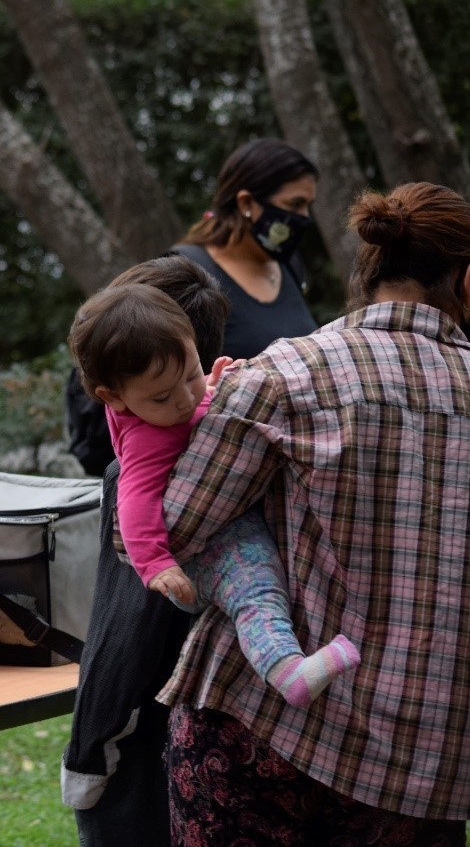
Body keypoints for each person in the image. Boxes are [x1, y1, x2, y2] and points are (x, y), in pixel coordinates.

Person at [159, 182, 470, 844]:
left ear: (370, 266)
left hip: (262, 731)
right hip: (419, 772)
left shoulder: (284, 374)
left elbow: (168, 529)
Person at [61, 255, 306, 845]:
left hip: (148, 748)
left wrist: (88, 748)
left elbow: (122, 642)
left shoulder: (148, 473)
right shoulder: (237, 440)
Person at [68, 283, 358, 705]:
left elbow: (190, 404)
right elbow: (133, 503)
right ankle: (289, 672)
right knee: (255, 589)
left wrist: (211, 383)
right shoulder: (146, 440)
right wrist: (155, 565)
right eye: (163, 396)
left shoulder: (164, 405)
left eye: (190, 374)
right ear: (113, 397)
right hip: (204, 555)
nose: (185, 399)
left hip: (224, 530)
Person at [64, 137, 320, 476]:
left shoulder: (288, 267)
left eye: (308, 206)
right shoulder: (187, 274)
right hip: (200, 471)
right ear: (246, 202)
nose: (303, 217)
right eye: (295, 204)